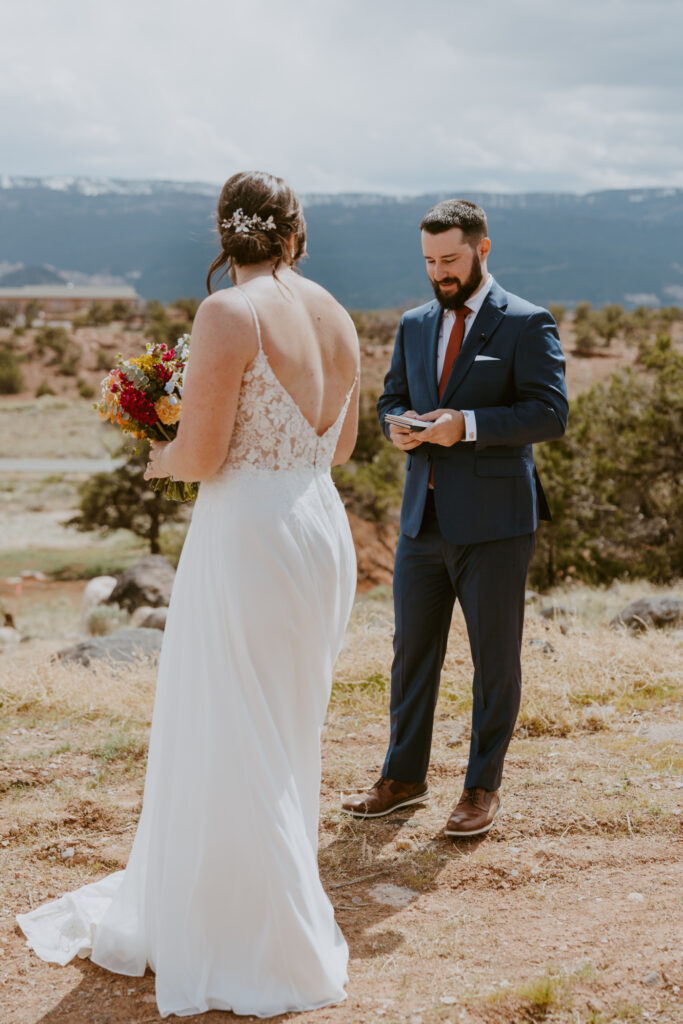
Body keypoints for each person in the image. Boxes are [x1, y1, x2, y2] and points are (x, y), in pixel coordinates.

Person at [16, 171, 361, 1018]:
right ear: (294, 232)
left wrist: (158, 448)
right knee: (281, 729)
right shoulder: (334, 313)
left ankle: (250, 937)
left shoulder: (228, 314)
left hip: (249, 535)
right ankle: (266, 907)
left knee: (226, 724)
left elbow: (204, 457)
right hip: (318, 527)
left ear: (224, 233)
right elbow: (342, 446)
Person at [342, 199, 568, 837]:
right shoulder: (414, 324)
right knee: (411, 655)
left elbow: (550, 414)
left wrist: (463, 426)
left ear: (482, 249)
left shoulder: (526, 322)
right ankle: (403, 777)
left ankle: (480, 788)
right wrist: (399, 428)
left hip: (497, 523)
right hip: (423, 519)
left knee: (494, 661)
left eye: (450, 259)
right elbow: (392, 396)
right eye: (429, 261)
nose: (439, 272)